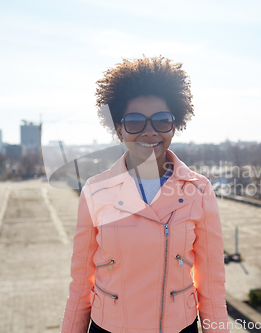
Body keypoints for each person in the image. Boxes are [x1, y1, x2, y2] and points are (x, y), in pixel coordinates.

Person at [61, 56, 230, 333]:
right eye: (135, 121)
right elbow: (80, 283)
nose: (150, 131)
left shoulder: (199, 191)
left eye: (162, 120)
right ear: (119, 130)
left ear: (174, 126)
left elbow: (211, 285)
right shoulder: (95, 192)